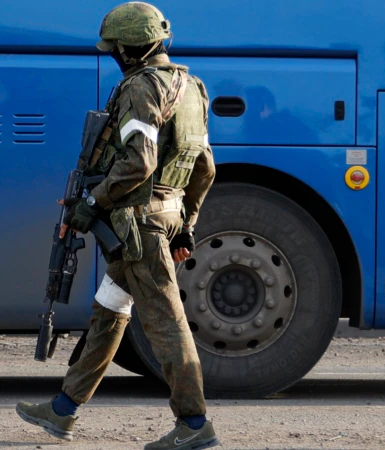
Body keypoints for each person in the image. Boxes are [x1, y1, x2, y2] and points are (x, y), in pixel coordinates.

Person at [15, 3, 219, 449]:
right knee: (109, 313)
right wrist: (187, 224)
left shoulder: (141, 87)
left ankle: (194, 424)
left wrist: (91, 202)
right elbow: (204, 167)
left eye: (115, 49)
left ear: (128, 50)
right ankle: (64, 409)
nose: (113, 55)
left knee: (166, 323)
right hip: (163, 218)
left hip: (139, 227)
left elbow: (138, 163)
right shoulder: (192, 87)